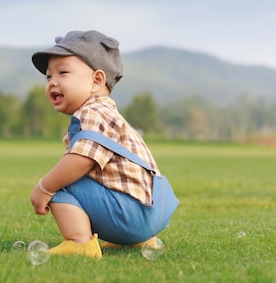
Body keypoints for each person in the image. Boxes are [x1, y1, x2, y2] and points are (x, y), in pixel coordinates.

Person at [29, 30, 177, 258]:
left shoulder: (92, 113)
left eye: (63, 73)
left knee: (61, 180)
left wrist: (45, 187)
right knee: (71, 176)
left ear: (96, 80)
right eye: (49, 77)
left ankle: (80, 243)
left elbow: (81, 160)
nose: (52, 83)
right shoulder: (108, 112)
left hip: (133, 214)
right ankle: (140, 242)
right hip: (153, 212)